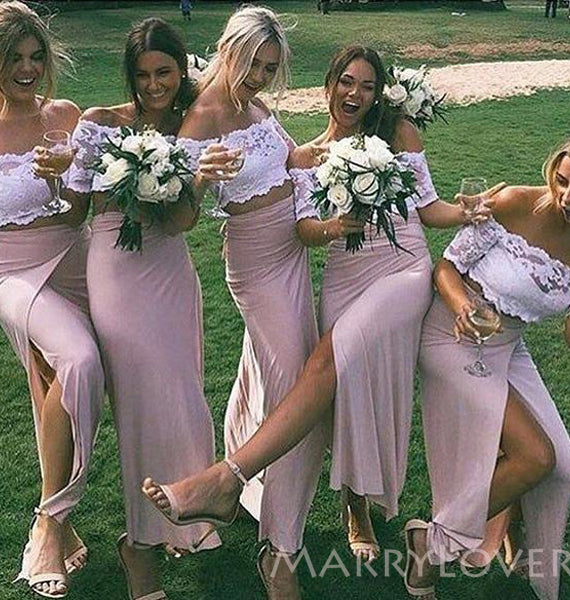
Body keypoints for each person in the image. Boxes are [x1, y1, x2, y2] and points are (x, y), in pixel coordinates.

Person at [155, 6, 327, 598]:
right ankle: (278, 545)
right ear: (228, 49)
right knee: (300, 399)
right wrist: (201, 178)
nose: (258, 77)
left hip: (295, 252)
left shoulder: (256, 107)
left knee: (273, 378)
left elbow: (288, 161)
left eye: (269, 68)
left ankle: (246, 486)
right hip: (256, 263)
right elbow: (179, 218)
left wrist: (337, 148)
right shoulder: (200, 119)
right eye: (252, 64)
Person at [286, 45, 478, 563]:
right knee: (349, 389)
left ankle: (361, 498)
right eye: (347, 82)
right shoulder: (305, 156)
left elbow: (429, 208)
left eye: (367, 86)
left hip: (403, 269)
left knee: (345, 353)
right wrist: (333, 227)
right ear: (329, 84)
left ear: (378, 95)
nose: (355, 94)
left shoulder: (399, 135)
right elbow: (304, 230)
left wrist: (467, 211)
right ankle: (356, 508)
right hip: (345, 276)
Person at [404, 123, 570, 600]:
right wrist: (461, 307)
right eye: (562, 180)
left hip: (508, 346)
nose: (567, 196)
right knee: (536, 456)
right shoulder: (514, 202)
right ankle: (432, 543)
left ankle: (530, 573)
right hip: (451, 334)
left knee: (565, 470)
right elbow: (447, 267)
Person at [66, 18, 221, 600]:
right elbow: (77, 209)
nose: (154, 84)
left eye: (165, 72)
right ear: (129, 75)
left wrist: (192, 182)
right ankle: (138, 544)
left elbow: (180, 223)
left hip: (170, 270)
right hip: (116, 269)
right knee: (140, 407)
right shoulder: (100, 123)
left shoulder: (191, 127)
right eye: (143, 74)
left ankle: (179, 517)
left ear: (181, 72)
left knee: (182, 396)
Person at [0, 2, 104, 598]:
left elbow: (78, 209)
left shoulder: (65, 116)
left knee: (54, 385)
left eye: (35, 56)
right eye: (14, 57)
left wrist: (65, 176)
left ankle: (58, 523)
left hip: (75, 259)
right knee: (79, 362)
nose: (27, 68)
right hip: (14, 275)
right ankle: (50, 521)